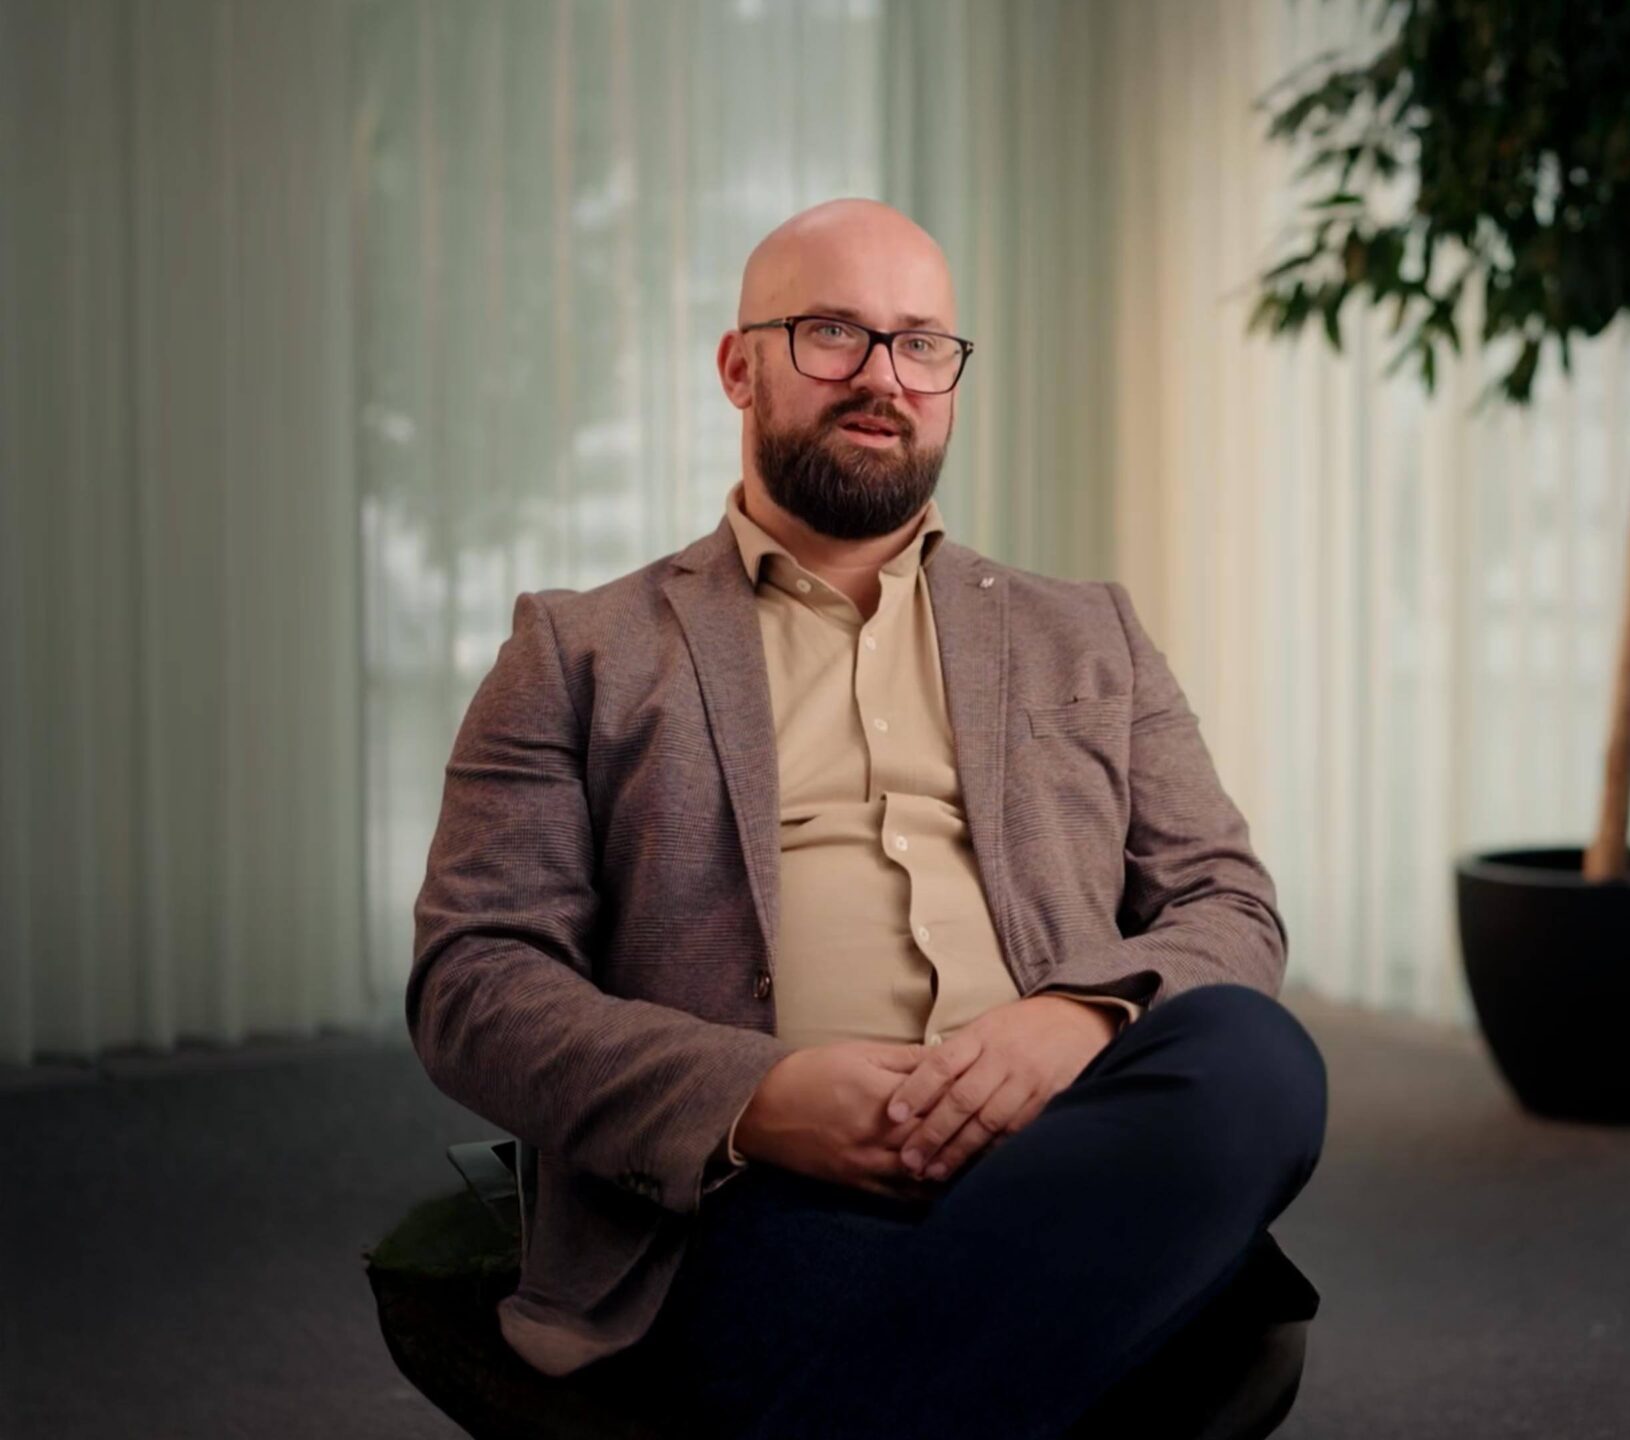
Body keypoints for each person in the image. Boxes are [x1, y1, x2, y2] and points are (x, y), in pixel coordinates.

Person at [407, 198, 1327, 1438]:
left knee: (1254, 1064)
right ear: (739, 367)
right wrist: (756, 1095)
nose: (881, 377)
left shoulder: (1085, 631)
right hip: (756, 1198)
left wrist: (1076, 1017)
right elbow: (473, 981)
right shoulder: (581, 651)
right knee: (953, 1330)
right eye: (830, 332)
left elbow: (1229, 903)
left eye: (919, 343)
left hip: (1058, 1150)